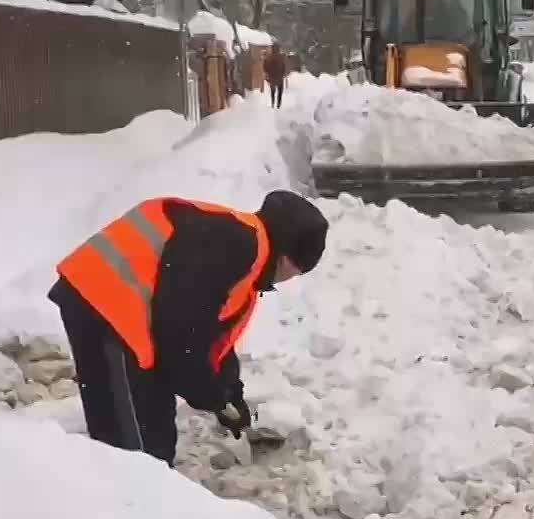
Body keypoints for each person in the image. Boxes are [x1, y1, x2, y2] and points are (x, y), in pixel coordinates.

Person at [47, 190, 329, 466]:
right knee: (134, 449)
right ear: (287, 258)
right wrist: (210, 395)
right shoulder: (234, 245)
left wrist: (229, 392)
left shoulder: (247, 255)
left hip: (126, 311)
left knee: (154, 429)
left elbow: (211, 336)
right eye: (299, 269)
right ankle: (124, 489)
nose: (292, 277)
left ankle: (146, 480)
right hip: (104, 303)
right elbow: (181, 339)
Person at [264, 44, 287, 108]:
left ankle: (272, 103)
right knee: (280, 92)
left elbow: (265, 67)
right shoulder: (281, 57)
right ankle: (278, 105)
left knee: (273, 91)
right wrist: (282, 74)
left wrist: (268, 74)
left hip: (272, 78)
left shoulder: (269, 57)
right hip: (279, 78)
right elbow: (283, 67)